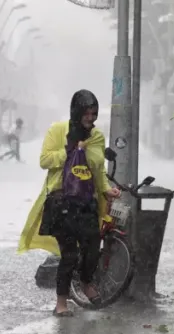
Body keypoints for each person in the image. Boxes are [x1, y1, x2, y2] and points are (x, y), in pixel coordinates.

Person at [17, 90, 121, 317]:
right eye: (87, 113)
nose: (91, 118)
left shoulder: (97, 137)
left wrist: (106, 189)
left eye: (94, 113)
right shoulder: (57, 131)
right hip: (61, 202)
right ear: (77, 111)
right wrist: (70, 151)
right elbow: (45, 161)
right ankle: (61, 302)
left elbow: (97, 170)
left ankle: (85, 282)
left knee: (93, 246)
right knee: (69, 255)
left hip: (86, 203)